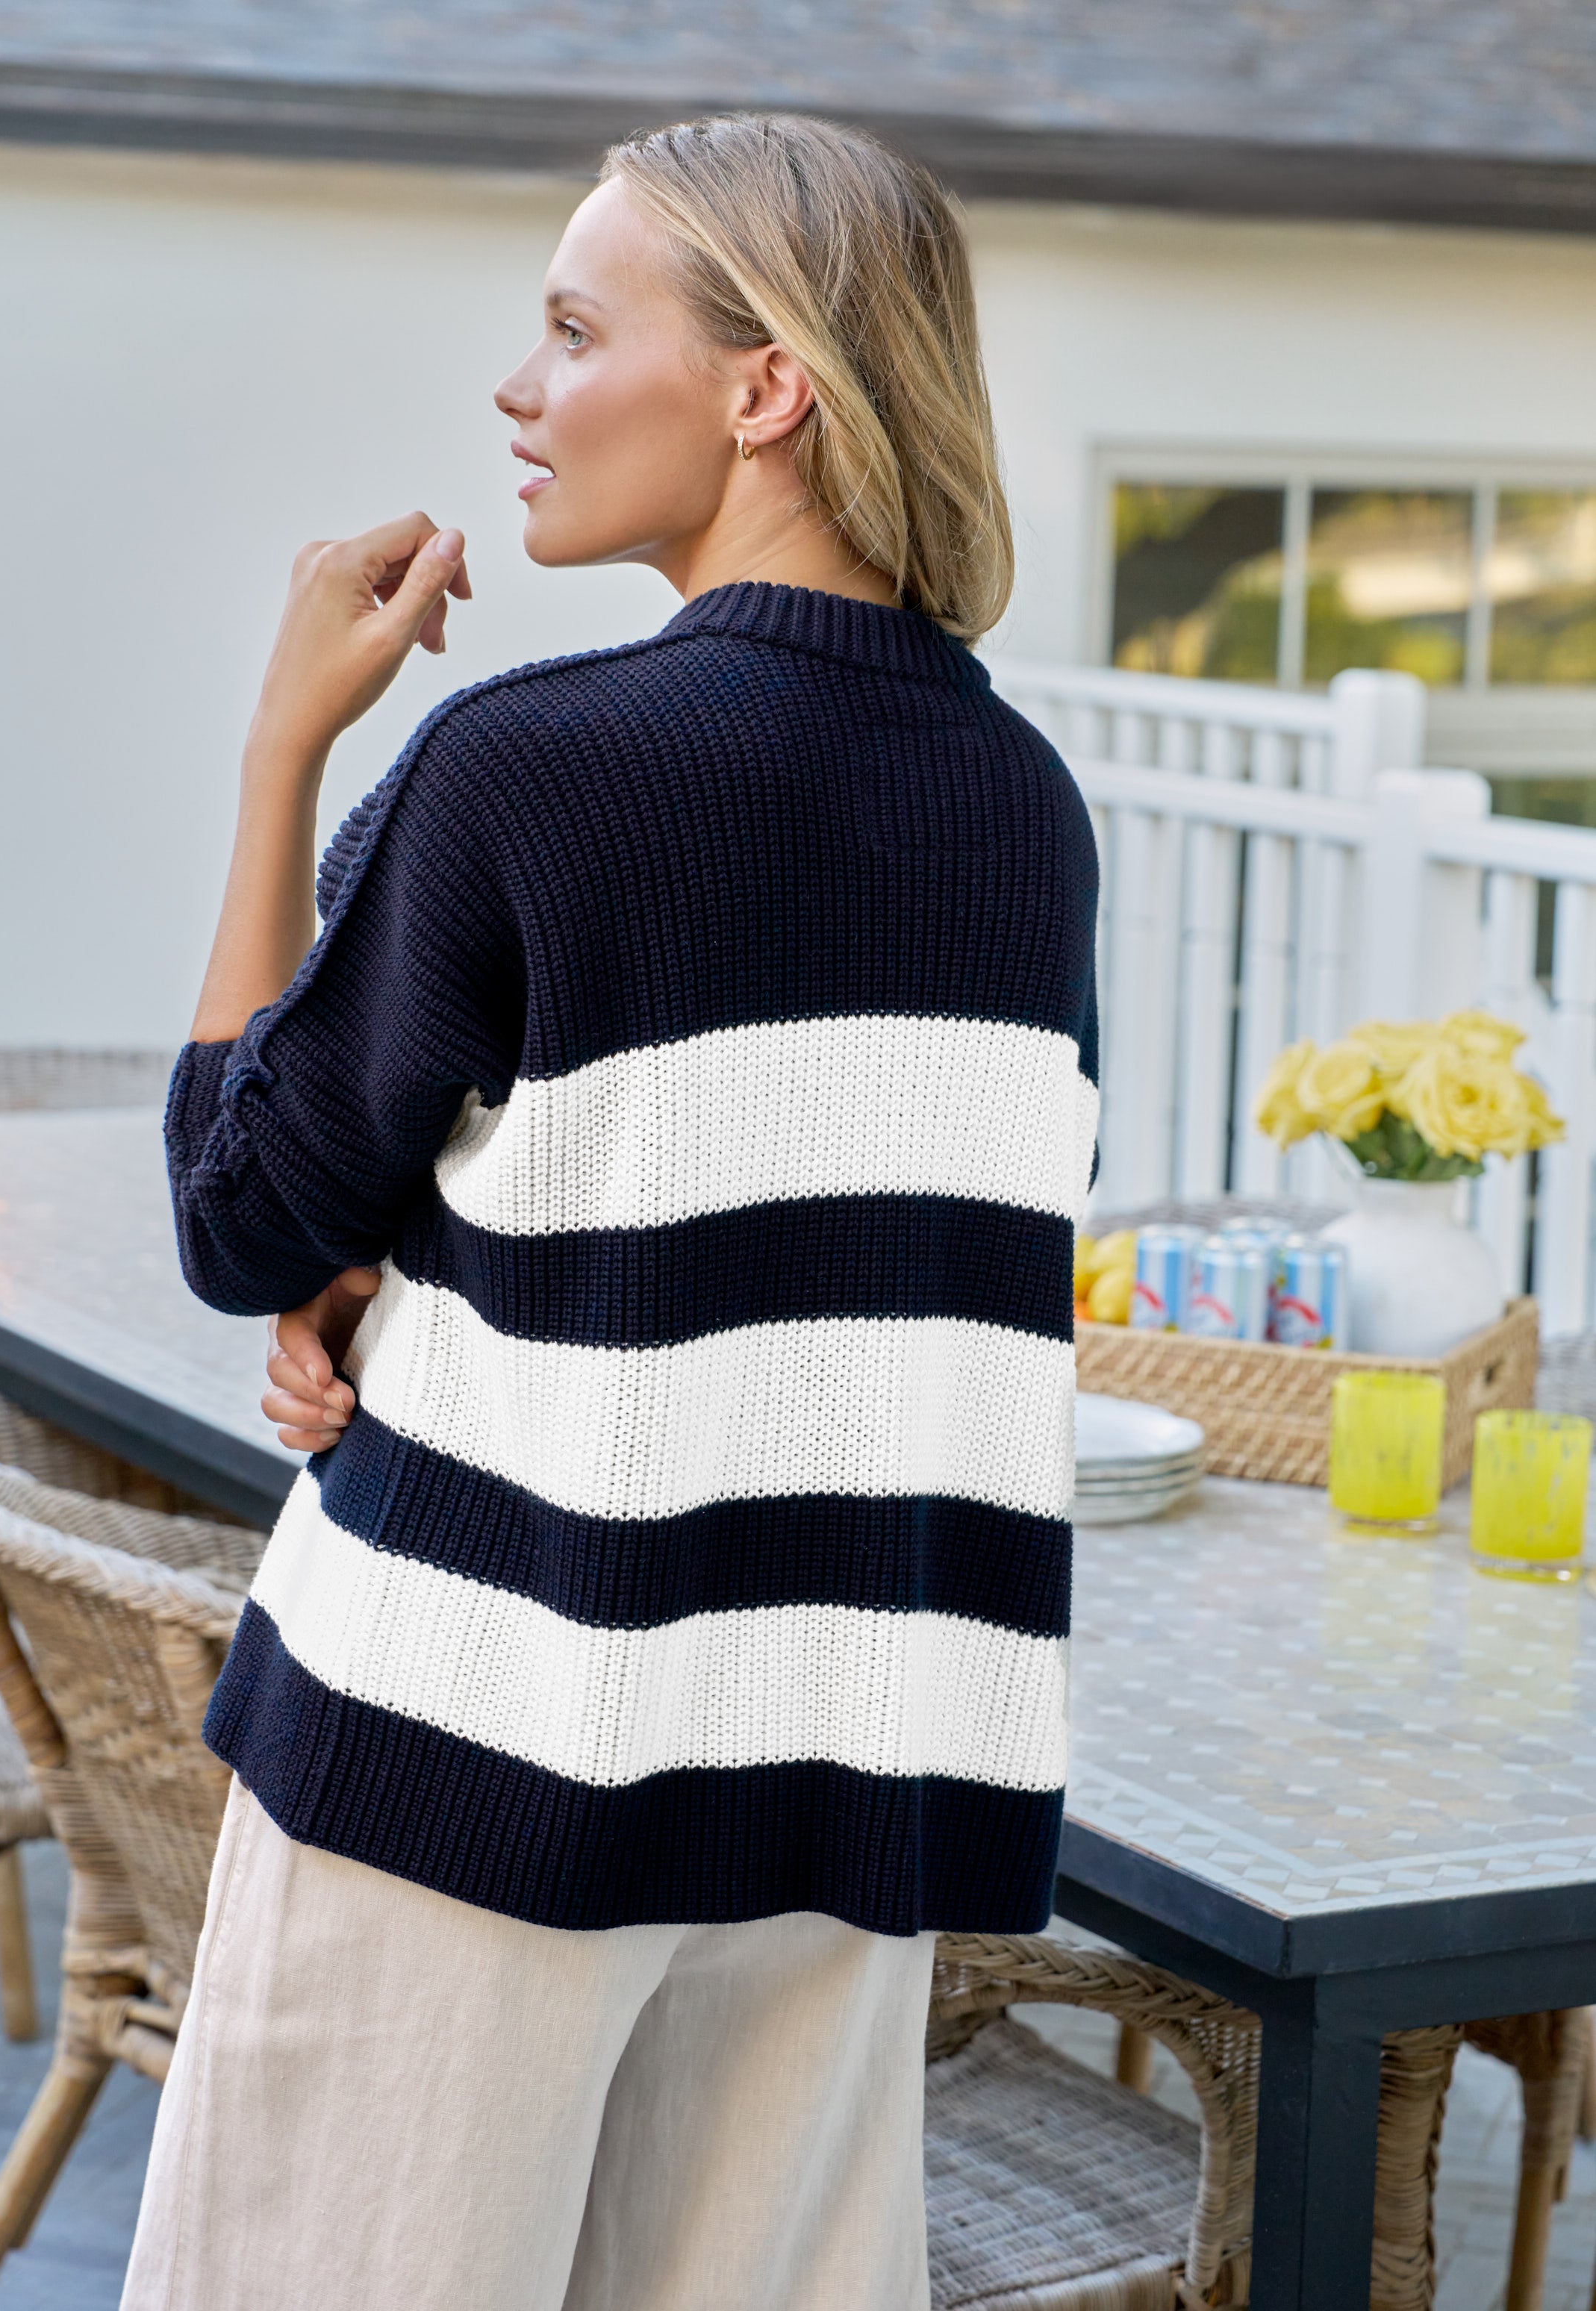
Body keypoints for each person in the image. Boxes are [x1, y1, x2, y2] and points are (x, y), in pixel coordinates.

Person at [122, 110, 1099, 2311]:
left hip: (465, 1771)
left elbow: (234, 1214)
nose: (517, 391)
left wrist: (282, 753)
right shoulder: (1018, 811)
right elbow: (815, 1245)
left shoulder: (533, 764)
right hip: (838, 1786)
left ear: (767, 388)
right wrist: (427, 1276)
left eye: (572, 330)